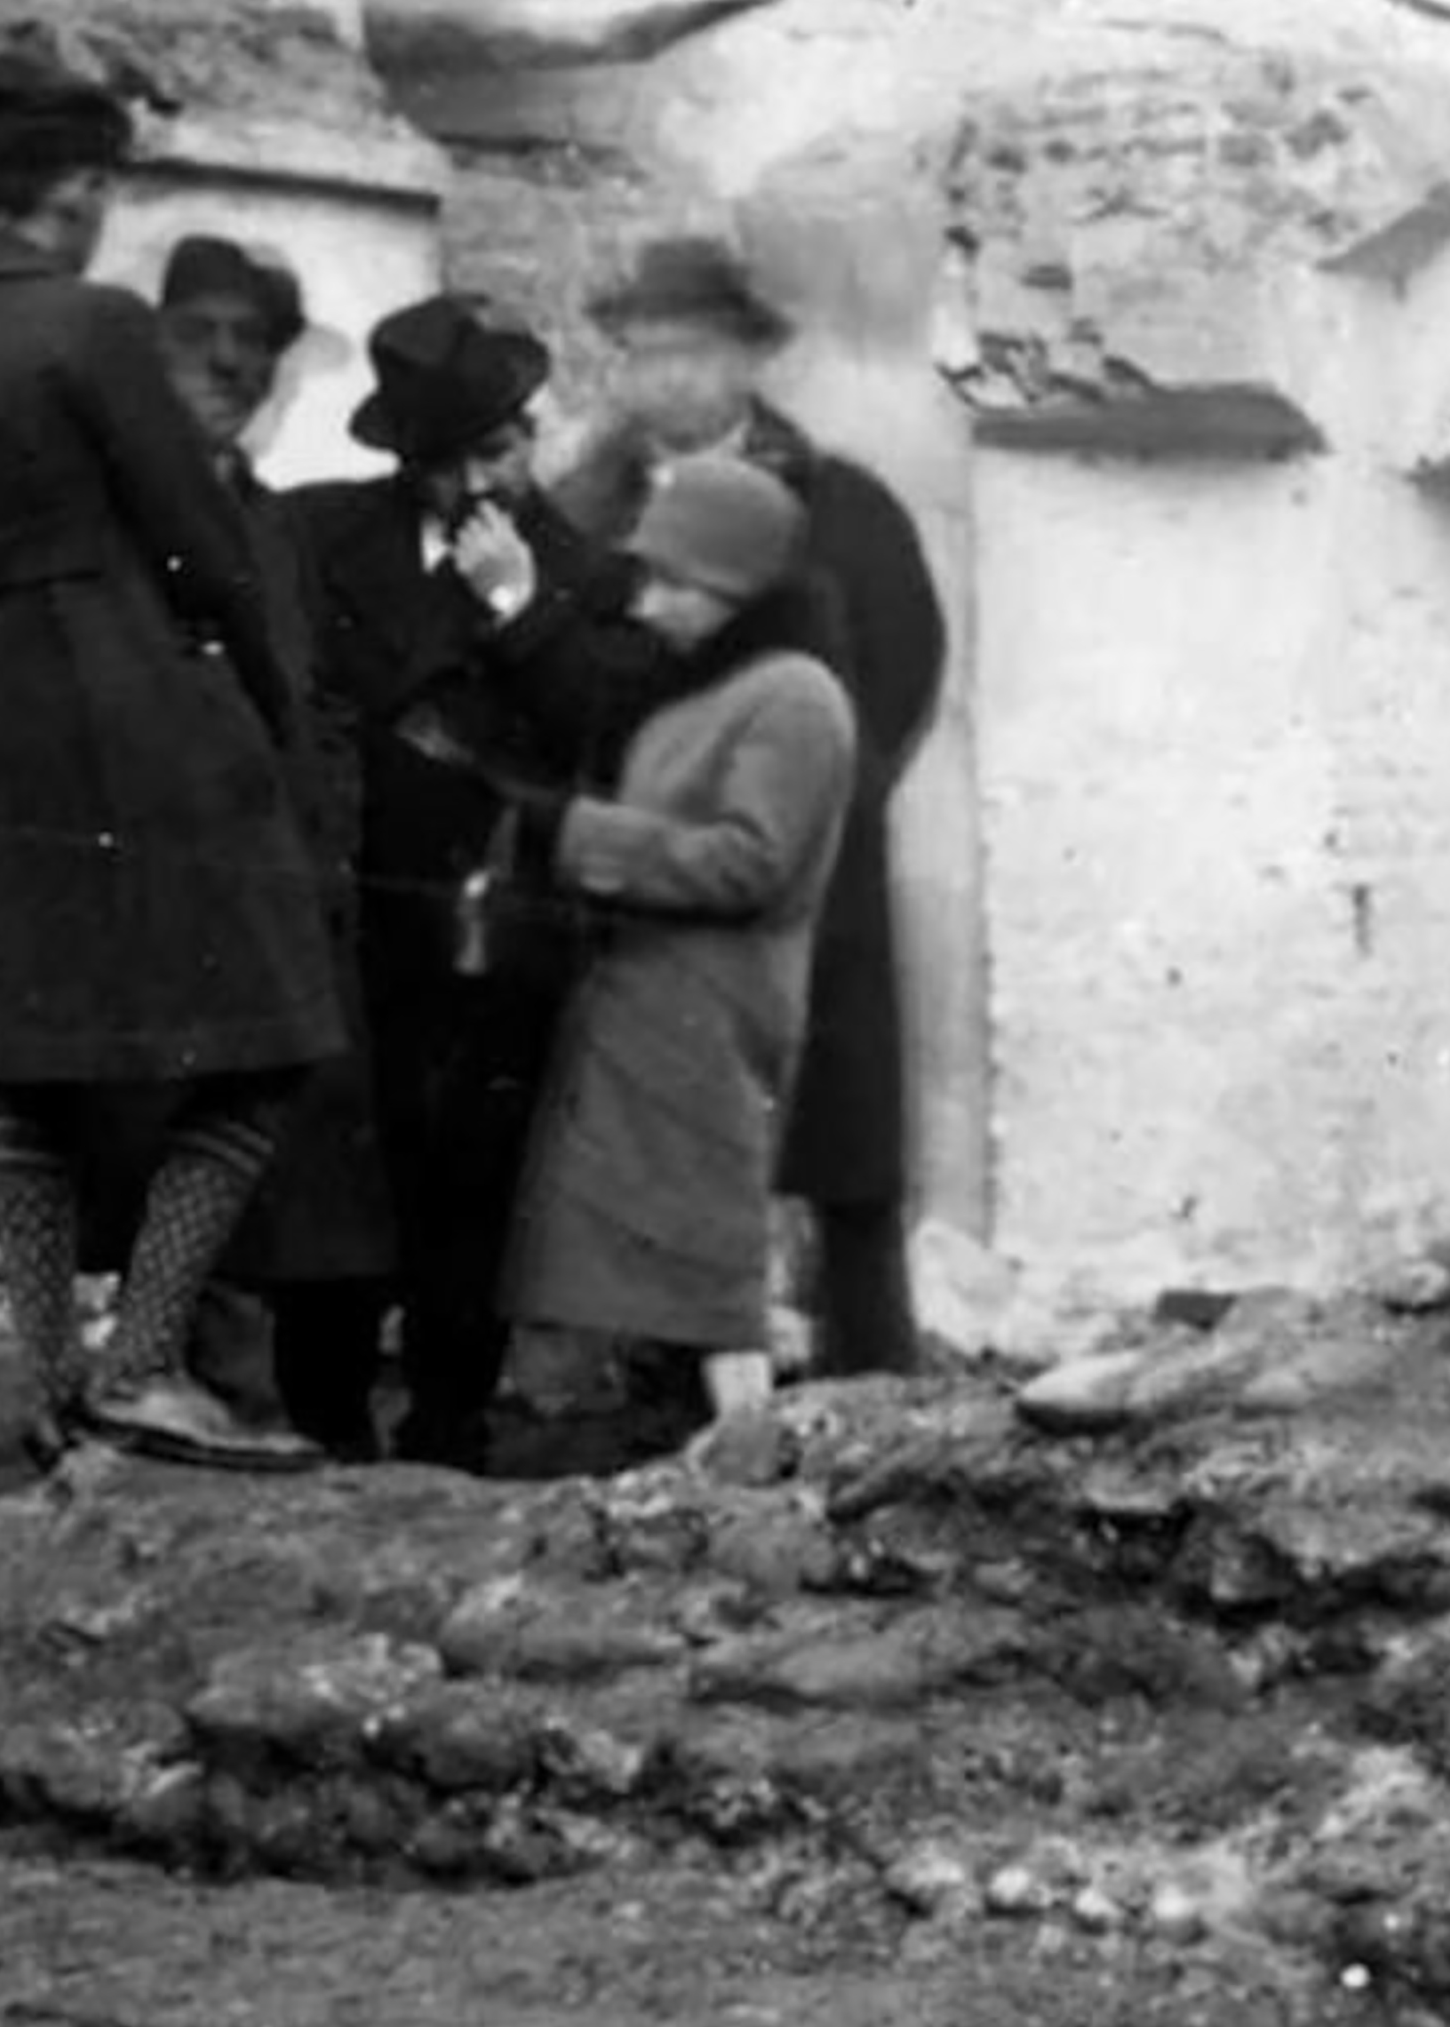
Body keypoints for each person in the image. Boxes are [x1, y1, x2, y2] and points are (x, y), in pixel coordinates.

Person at [0, 50, 345, 1471]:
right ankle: (138, 1362)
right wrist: (259, 706)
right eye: (97, 189)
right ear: (72, 186)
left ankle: (47, 1380)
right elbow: (196, 537)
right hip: (126, 701)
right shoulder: (87, 323)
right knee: (265, 1041)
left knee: (37, 1060)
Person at [560, 234, 948, 1378]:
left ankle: (872, 1375)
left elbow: (901, 665)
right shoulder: (586, 513)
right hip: (658, 866)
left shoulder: (843, 507)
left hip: (811, 866)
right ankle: (664, 1398)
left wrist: (809, 782)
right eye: (643, 354)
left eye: (693, 352)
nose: (667, 378)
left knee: (839, 1129)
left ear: (744, 361)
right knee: (672, 1127)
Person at [272, 293, 649, 1471]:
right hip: (356, 912)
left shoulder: (579, 571)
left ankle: (449, 1423)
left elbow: (603, 725)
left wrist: (516, 610)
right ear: (414, 464)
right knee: (344, 1166)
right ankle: (326, 1417)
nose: (497, 477)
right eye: (466, 458)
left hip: (497, 923)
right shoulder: (324, 539)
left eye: (510, 445)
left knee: (473, 1179)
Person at [476, 452, 858, 1431]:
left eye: (670, 583)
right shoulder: (714, 690)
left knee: (709, 1270)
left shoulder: (795, 697)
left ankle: (744, 1455)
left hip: (711, 1031)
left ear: (731, 588)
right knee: (614, 1262)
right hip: (645, 1020)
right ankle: (608, 1462)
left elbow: (750, 863)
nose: (645, 605)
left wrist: (576, 835)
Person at [141, 234, 395, 1444]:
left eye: (256, 343)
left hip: (291, 885)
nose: (232, 361)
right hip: (179, 889)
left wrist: (330, 826)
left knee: (296, 1159)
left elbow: (314, 693)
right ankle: (196, 1404)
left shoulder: (271, 520)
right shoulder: (124, 501)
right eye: (202, 334)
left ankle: (286, 1412)